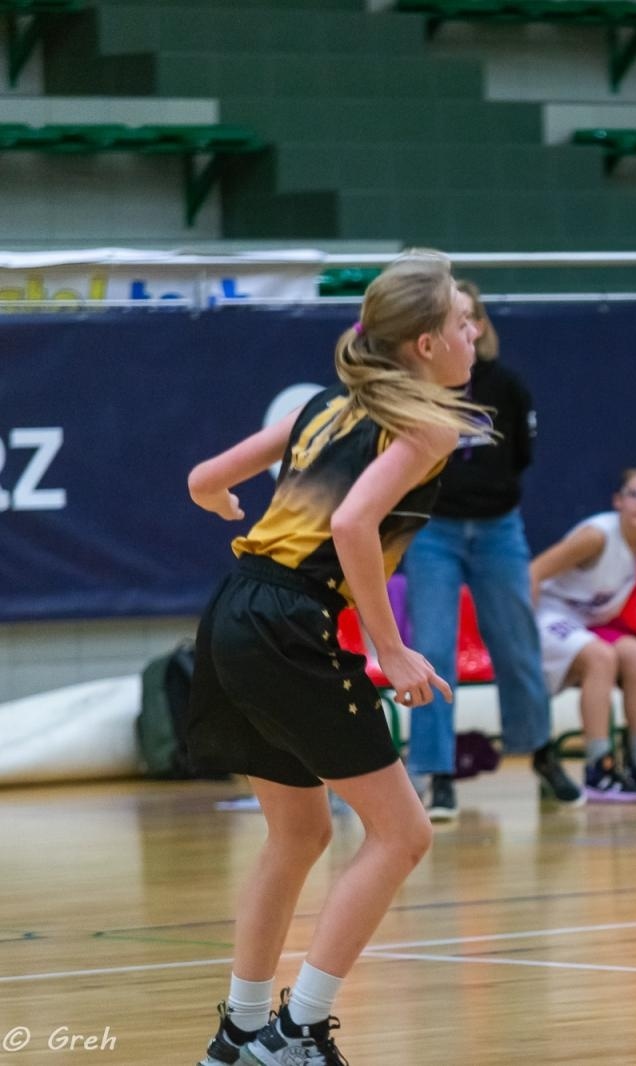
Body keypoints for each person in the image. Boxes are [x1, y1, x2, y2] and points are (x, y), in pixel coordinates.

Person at [187, 252, 481, 1066]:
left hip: (235, 609)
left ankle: (242, 1033)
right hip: (289, 623)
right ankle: (300, 1031)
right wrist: (391, 649)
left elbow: (204, 477)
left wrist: (219, 498)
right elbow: (353, 525)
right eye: (462, 321)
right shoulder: (428, 426)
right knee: (403, 834)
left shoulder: (325, 404)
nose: (473, 332)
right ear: (423, 345)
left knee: (298, 834)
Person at [402, 279, 580, 822]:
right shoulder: (415, 387)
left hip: (499, 530)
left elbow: (520, 458)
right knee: (432, 651)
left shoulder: (506, 386)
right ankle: (437, 773)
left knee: (518, 646)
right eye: (457, 318)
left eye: (472, 317)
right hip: (434, 531)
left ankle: (543, 755)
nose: (469, 328)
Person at [528, 463, 636, 803]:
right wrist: (524, 639)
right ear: (618, 501)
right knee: (601, 657)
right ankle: (599, 766)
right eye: (634, 495)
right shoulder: (596, 536)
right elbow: (534, 573)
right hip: (551, 613)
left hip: (590, 622)